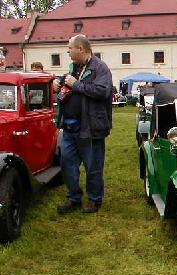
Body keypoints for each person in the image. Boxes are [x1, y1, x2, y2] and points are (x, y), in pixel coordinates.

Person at [53, 34, 113, 214]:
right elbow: (68, 86)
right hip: (70, 127)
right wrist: (59, 83)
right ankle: (74, 198)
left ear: (81, 48)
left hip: (91, 127)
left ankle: (95, 199)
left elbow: (102, 91)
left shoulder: (100, 68)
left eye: (70, 47)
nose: (67, 51)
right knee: (67, 163)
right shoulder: (73, 67)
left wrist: (76, 84)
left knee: (93, 166)